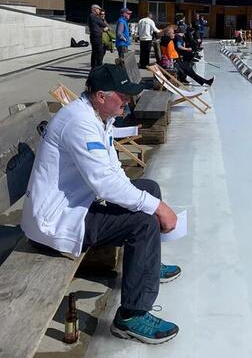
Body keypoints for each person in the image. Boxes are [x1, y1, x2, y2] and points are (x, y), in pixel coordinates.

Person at [21, 64, 182, 344]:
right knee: (143, 222)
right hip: (56, 218)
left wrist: (149, 199)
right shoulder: (80, 123)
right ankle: (131, 315)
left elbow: (111, 170)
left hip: (77, 202)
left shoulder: (98, 116)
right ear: (100, 96)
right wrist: (157, 208)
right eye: (123, 96)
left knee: (148, 188)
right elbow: (103, 184)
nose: (128, 102)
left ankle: (147, 266)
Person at [88, 4, 109, 68]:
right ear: (94, 9)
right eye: (98, 9)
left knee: (95, 53)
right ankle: (98, 67)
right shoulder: (94, 16)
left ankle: (94, 67)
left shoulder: (92, 16)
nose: (99, 11)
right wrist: (103, 20)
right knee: (99, 53)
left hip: (95, 37)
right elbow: (103, 24)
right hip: (96, 38)